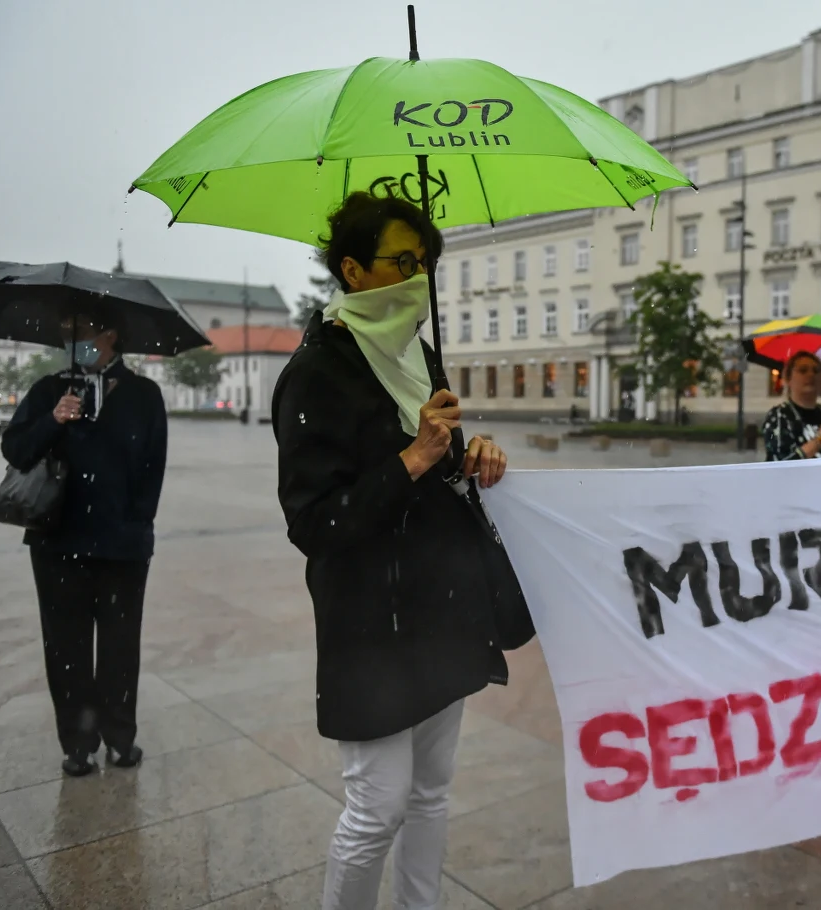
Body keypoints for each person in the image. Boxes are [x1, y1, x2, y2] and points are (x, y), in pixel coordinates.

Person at [272, 191, 511, 910]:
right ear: (351, 269)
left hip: (440, 603)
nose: (417, 276)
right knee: (378, 806)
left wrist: (473, 456)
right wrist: (410, 460)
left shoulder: (417, 354)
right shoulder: (316, 373)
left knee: (433, 794)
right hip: (370, 622)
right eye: (401, 261)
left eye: (425, 261)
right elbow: (313, 523)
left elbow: (443, 461)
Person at [0, 310, 167, 777]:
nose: (70, 342)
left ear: (109, 335)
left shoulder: (143, 395)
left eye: (78, 333)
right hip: (58, 543)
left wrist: (137, 524)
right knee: (66, 649)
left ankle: (120, 739)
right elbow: (15, 449)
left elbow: (154, 467)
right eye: (64, 334)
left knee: (120, 647)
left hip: (123, 546)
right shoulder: (49, 390)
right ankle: (77, 744)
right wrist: (54, 420)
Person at [761, 350, 821, 461]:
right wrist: (820, 440)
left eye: (816, 371)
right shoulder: (779, 415)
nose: (810, 374)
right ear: (788, 378)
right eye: (803, 370)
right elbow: (782, 462)